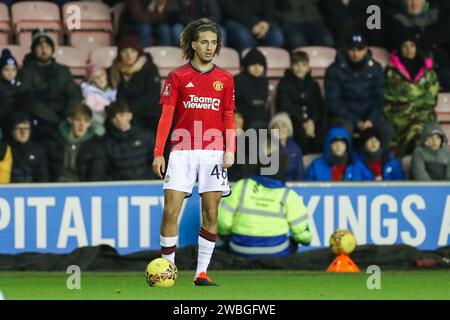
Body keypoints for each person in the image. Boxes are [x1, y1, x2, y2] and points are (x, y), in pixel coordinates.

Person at [152, 20, 235, 286]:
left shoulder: (225, 79)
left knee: (211, 214)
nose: (210, 47)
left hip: (213, 153)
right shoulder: (177, 77)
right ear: (193, 45)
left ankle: (201, 272)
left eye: (214, 42)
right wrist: (159, 152)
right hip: (181, 152)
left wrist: (230, 149)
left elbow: (229, 117)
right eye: (204, 42)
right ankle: (168, 269)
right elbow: (166, 116)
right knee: (170, 212)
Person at [217, 138, 311, 257]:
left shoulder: (242, 186)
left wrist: (226, 236)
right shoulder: (287, 195)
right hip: (276, 252)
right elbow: (303, 235)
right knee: (293, 242)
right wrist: (306, 239)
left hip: (241, 250)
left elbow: (223, 222)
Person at [324, 33, 393, 149]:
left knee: (386, 128)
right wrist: (357, 122)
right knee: (344, 129)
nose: (355, 54)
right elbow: (334, 103)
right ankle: (347, 162)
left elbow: (379, 98)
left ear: (366, 50)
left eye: (359, 49)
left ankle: (380, 162)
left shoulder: (376, 68)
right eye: (352, 49)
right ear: (346, 49)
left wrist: (370, 119)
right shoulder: (333, 70)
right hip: (345, 116)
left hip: (369, 115)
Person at [19, 29, 82, 142]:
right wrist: (56, 120)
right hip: (41, 120)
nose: (43, 49)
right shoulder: (26, 72)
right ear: (33, 50)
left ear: (52, 50)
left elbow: (74, 94)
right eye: (39, 46)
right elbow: (29, 99)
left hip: (65, 117)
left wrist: (68, 114)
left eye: (47, 46)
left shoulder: (63, 70)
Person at [384, 36, 439, 157]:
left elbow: (431, 99)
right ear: (399, 49)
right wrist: (416, 97)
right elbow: (391, 96)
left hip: (423, 115)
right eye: (404, 46)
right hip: (400, 116)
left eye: (412, 45)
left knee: (428, 135)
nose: (409, 49)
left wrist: (410, 98)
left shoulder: (428, 71)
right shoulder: (391, 72)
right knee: (414, 136)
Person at [109, 34, 162, 132]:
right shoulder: (114, 70)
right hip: (125, 113)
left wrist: (129, 110)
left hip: (149, 113)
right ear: (120, 53)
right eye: (125, 52)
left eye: (133, 51)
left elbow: (152, 96)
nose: (129, 56)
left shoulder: (149, 68)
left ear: (138, 53)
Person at [276, 50, 324, 154]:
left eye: (303, 65)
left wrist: (311, 121)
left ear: (308, 67)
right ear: (291, 66)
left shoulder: (313, 84)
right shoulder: (284, 83)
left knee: (321, 129)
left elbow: (318, 106)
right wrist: (304, 121)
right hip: (294, 119)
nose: (300, 68)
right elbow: (285, 106)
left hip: (312, 120)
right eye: (296, 64)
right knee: (299, 132)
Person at [47, 103, 105, 182]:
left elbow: (96, 174)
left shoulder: (95, 145)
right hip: (56, 186)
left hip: (82, 188)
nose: (82, 125)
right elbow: (46, 169)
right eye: (78, 120)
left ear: (90, 123)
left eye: (86, 121)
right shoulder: (55, 139)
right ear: (70, 120)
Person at [103, 101, 155, 181]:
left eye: (121, 115)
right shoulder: (108, 143)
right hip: (121, 188)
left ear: (129, 115)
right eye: (114, 117)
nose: (118, 120)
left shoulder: (146, 136)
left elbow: (155, 161)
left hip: (147, 184)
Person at [219, 0, 284, 52]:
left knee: (276, 36)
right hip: (232, 19)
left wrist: (265, 22)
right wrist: (251, 25)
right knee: (243, 36)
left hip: (259, 20)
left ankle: (265, 65)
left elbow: (269, 4)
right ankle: (248, 64)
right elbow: (228, 9)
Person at [118, 0, 183, 47]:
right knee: (149, 28)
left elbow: (175, 14)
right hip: (133, 24)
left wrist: (163, 15)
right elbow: (138, 16)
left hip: (164, 22)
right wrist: (161, 16)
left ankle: (174, 54)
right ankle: (146, 54)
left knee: (174, 28)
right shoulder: (140, 3)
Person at [234, 47, 269, 130]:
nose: (257, 68)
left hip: (262, 120)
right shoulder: (238, 80)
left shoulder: (264, 81)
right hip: (243, 119)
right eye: (253, 64)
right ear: (246, 65)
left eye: (260, 65)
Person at [8, 113, 49, 183]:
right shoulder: (4, 149)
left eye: (26, 128)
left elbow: (43, 177)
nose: (23, 132)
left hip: (33, 192)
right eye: (19, 128)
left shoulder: (38, 150)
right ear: (12, 131)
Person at [81, 65, 117, 136]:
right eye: (96, 77)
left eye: (101, 75)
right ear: (92, 81)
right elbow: (89, 110)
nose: (100, 78)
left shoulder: (112, 90)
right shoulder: (90, 93)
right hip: (98, 118)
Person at [269, 112, 304, 181]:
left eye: (283, 126)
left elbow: (300, 174)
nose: (280, 129)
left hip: (292, 187)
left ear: (289, 129)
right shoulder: (266, 148)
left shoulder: (296, 149)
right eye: (276, 126)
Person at [0, 49, 29, 132]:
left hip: (17, 123)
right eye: (6, 70)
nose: (10, 73)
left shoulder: (21, 84)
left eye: (13, 70)